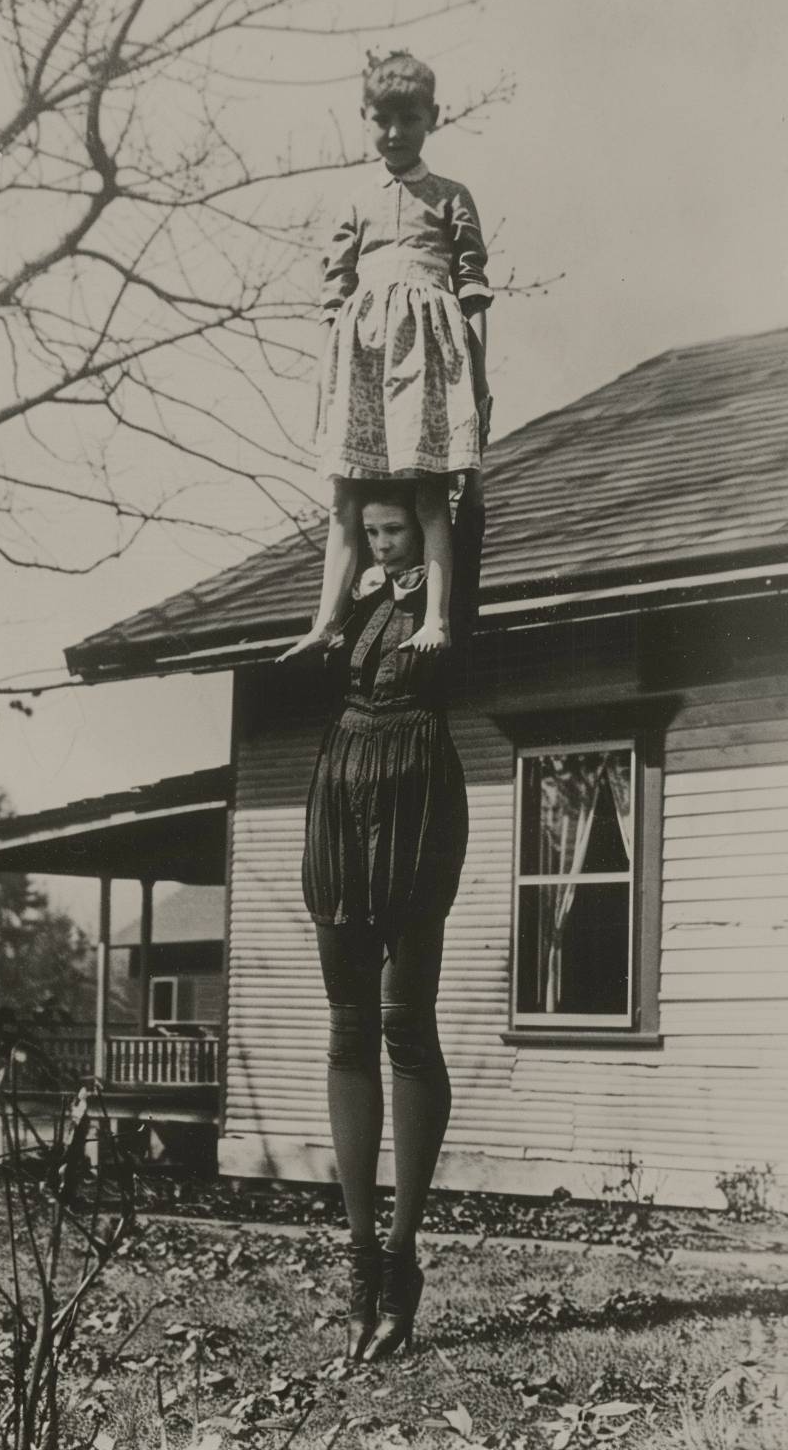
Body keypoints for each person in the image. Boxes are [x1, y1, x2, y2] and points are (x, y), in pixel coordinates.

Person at [300, 473, 485, 1363]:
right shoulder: (348, 591)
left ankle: (404, 1256)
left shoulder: (449, 578)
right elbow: (339, 510)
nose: (383, 545)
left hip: (415, 797)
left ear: (427, 528)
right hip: (341, 798)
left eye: (396, 532)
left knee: (406, 1026)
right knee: (347, 1031)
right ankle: (360, 1257)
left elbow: (458, 497)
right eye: (371, 533)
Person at [281, 49, 492, 663]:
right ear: (365, 118)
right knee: (347, 496)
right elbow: (333, 295)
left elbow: (473, 290)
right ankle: (326, 619)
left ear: (432, 117)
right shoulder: (353, 202)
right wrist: (327, 378)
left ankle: (436, 620)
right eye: (382, 120)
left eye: (410, 119)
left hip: (428, 361)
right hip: (362, 362)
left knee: (426, 490)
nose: (395, 134)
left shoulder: (452, 196)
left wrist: (476, 379)